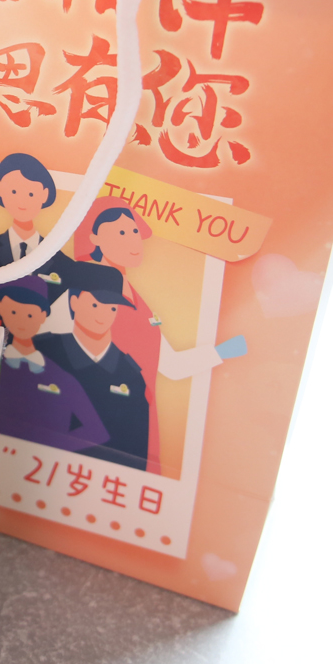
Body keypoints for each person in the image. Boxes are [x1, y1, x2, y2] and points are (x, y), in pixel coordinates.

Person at [71, 196, 234, 475]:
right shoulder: (81, 290)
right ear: (94, 237)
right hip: (97, 416)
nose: (134, 240)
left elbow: (169, 365)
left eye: (135, 231)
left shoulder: (139, 301)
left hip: (139, 417)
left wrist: (222, 352)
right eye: (122, 232)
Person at [33, 262, 149, 470]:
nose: (103, 315)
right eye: (95, 305)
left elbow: (137, 453)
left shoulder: (130, 375)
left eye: (112, 308)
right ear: (74, 302)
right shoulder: (43, 351)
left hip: (103, 480)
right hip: (38, 468)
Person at [0, 276, 108, 453]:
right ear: (0, 308)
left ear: (43, 316)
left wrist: (53, 445)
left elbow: (96, 431)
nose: (22, 321)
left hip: (39, 462)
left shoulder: (60, 377)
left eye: (30, 315)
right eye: (14, 312)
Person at [0, 153, 74, 306]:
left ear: (44, 195)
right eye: (13, 191)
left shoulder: (62, 262)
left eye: (31, 194)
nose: (22, 201)